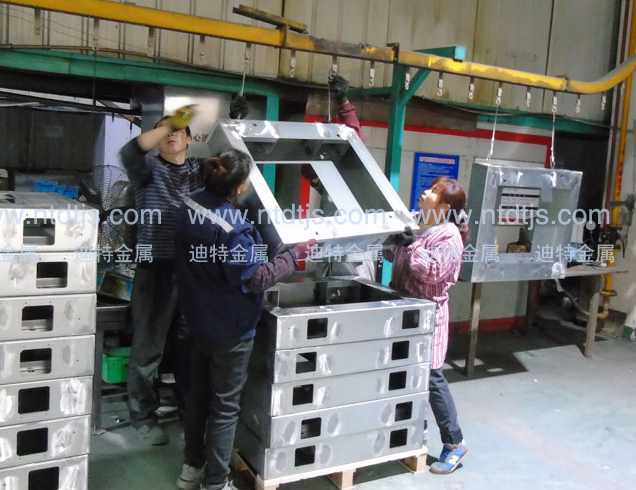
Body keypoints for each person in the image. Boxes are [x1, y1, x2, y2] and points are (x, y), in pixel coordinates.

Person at [174, 149, 316, 490]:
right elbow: (256, 277)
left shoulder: (189, 204)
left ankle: (191, 468)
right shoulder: (233, 228)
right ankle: (216, 483)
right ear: (239, 187)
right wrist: (294, 256)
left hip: (196, 320)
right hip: (230, 330)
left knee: (197, 399)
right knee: (224, 409)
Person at [119, 96, 248, 445]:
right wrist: (169, 123)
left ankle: (187, 410)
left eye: (178, 130)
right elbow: (129, 153)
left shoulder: (199, 172)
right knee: (148, 349)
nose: (171, 134)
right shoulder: (147, 172)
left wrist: (236, 123)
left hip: (193, 273)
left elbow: (233, 166)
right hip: (155, 271)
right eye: (164, 130)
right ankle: (142, 417)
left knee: (188, 346)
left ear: (190, 139)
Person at [384, 176, 469, 474]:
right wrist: (392, 240)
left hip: (427, 316)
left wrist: (411, 245)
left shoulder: (449, 237)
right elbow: (393, 255)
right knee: (403, 374)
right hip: (402, 310)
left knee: (431, 377)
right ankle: (406, 438)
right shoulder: (417, 221)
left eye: (433, 192)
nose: (425, 192)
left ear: (444, 206)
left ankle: (455, 443)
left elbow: (432, 272)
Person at [303, 73, 375, 281]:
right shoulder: (329, 184)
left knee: (357, 298)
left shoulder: (357, 174)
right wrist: (313, 147)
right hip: (328, 257)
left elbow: (355, 141)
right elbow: (308, 171)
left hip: (354, 260)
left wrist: (344, 104)